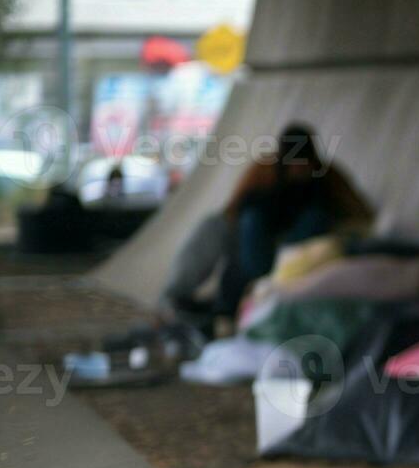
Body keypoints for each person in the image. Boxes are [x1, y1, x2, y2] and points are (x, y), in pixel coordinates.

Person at [158, 123, 374, 322]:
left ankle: (259, 294)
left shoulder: (328, 178)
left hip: (297, 256)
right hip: (255, 248)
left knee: (315, 219)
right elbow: (232, 214)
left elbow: (362, 218)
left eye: (304, 164)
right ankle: (173, 300)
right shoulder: (264, 172)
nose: (299, 170)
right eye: (293, 165)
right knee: (216, 226)